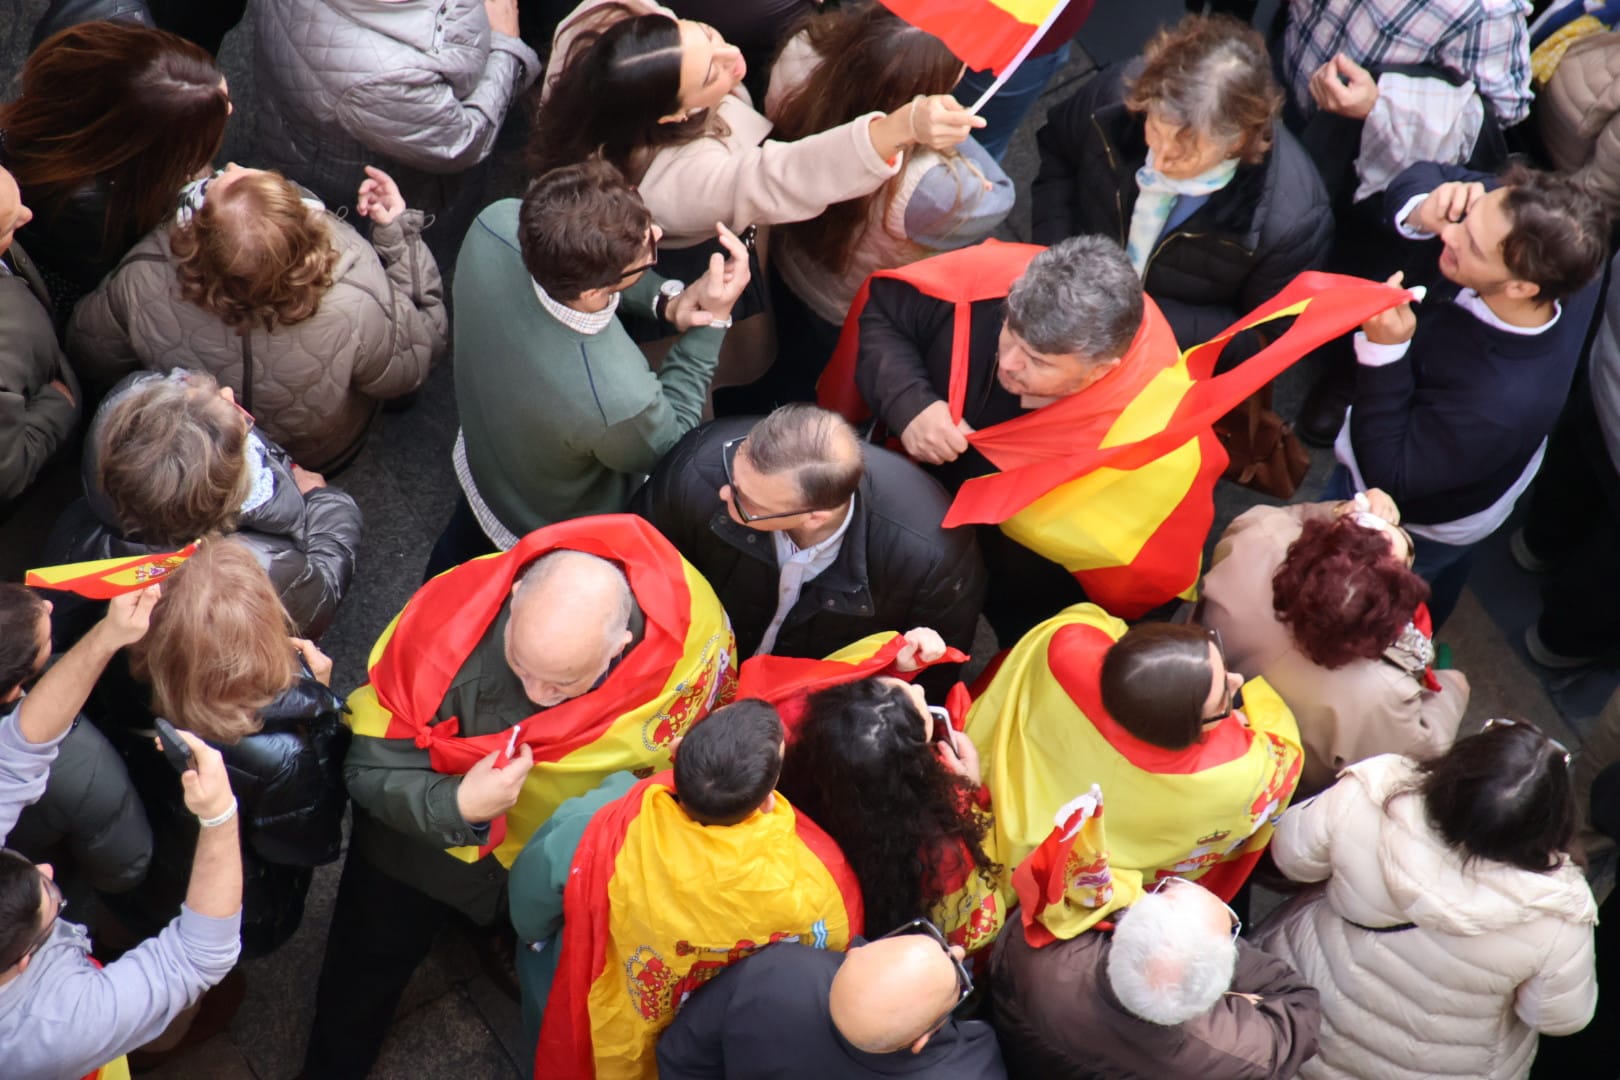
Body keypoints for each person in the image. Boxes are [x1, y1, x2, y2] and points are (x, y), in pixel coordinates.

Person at [303, 515, 735, 1078]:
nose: (538, 694)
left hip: (529, 862)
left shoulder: (685, 618)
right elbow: (363, 763)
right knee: (365, 974)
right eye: (521, 665)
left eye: (561, 684)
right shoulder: (442, 644)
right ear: (513, 597)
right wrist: (457, 806)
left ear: (621, 645)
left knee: (501, 918)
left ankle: (487, 934)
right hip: (415, 861)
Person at [839, 235, 1213, 633]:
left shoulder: (1153, 433)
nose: (1009, 362)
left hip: (1021, 582)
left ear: (1101, 370)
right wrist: (910, 404)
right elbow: (885, 315)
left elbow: (1146, 563)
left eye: (1038, 361)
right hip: (909, 525)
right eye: (1010, 332)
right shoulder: (989, 278)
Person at [508, 698, 863, 1078]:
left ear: (676, 749)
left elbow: (528, 907)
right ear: (767, 798)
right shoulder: (812, 873)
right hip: (695, 1039)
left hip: (597, 1006)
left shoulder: (600, 820)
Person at [434, 157, 750, 573]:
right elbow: (671, 444)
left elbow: (590, 280)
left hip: (483, 463)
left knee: (445, 575)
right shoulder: (617, 396)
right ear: (593, 291)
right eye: (647, 251)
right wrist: (714, 320)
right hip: (547, 532)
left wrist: (666, 303)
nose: (655, 232)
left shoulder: (496, 223)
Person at [1331, 162, 1609, 627]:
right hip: (1475, 477)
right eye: (1468, 213)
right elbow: (1430, 173)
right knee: (1448, 572)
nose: (1451, 234)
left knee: (1390, 599)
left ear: (1522, 286)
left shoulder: (1502, 402)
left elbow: (1391, 475)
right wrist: (1424, 207)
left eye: (1471, 245)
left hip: (1417, 516)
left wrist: (1385, 354)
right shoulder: (1531, 228)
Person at [1254, 722, 1598, 1078]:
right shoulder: (1558, 914)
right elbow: (1559, 1017)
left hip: (1296, 1009)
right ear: (1553, 818)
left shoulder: (1376, 789)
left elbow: (1291, 857)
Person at [0, 586, 244, 1080]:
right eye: (48, 906)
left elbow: (18, 752)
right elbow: (197, 956)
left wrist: (110, 634)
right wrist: (220, 816)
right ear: (22, 963)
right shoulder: (52, 1029)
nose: (47, 867)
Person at [67, 163, 446, 472]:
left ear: (197, 236)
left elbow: (89, 348)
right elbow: (412, 361)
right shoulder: (355, 291)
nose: (230, 163)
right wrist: (398, 239)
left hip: (205, 459)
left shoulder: (143, 274)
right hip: (314, 458)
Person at [531, 0, 984, 252]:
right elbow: (781, 175)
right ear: (671, 117)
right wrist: (903, 127)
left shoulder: (606, 24)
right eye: (711, 74)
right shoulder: (676, 181)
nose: (732, 56)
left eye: (703, 33)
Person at [89, 540, 348, 957]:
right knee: (195, 979)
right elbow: (310, 842)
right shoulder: (283, 753)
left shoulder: (118, 665)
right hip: (225, 907)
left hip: (126, 861)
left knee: (123, 929)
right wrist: (320, 711)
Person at [1032, 15, 1332, 352]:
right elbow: (1058, 153)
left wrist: (1142, 324)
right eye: (1156, 132)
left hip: (1160, 357)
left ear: (1237, 141)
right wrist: (1055, 260)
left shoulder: (1293, 220)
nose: (1159, 162)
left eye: (1186, 153)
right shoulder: (1115, 93)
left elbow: (1266, 333)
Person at [965, 610, 1303, 903]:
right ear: (1183, 729)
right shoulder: (1236, 771)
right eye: (1222, 704)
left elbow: (1101, 627)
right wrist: (1240, 724)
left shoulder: (1066, 645)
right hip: (1063, 876)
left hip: (1000, 817)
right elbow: (1283, 753)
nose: (1238, 680)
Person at [761, 2, 1013, 387]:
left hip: (776, 248)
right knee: (806, 373)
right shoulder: (938, 187)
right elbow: (1001, 194)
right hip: (835, 302)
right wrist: (955, 130)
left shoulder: (801, 51)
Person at [630, 404, 986, 671]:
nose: (724, 494)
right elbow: (635, 576)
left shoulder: (932, 557)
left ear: (816, 515)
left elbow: (933, 675)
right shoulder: (697, 470)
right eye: (733, 473)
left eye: (747, 502)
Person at [42, 370, 362, 641]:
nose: (227, 391)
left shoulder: (122, 438)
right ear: (225, 493)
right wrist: (326, 503)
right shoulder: (263, 570)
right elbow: (320, 593)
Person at [1201, 492, 1468, 795]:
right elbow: (1420, 752)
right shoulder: (1384, 695)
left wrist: (1340, 511)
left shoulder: (1258, 538)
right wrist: (1454, 689)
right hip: (1270, 786)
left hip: (1195, 701)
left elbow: (1289, 518)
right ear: (1388, 610)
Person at [247, 0, 541, 258]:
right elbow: (462, 140)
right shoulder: (379, 76)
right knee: (411, 254)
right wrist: (505, 47)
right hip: (376, 179)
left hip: (307, 127)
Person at [0, 21, 230, 325]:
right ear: (155, 146)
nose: (230, 111)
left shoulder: (61, 101)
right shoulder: (106, 210)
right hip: (66, 291)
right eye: (220, 108)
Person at [988, 877, 1321, 1079]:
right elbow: (1298, 1006)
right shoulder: (1241, 1052)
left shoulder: (1035, 956)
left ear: (1119, 936)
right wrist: (1221, 935)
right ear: (1221, 984)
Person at [776, 676, 1003, 950]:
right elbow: (976, 927)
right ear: (915, 767)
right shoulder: (942, 840)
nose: (920, 687)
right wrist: (970, 790)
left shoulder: (788, 763)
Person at [657, 923, 1007, 1078]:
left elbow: (680, 1055)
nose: (959, 950)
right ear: (921, 1041)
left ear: (856, 952)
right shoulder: (972, 1068)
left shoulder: (773, 972)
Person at [1, 584, 151, 903]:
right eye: (42, 641)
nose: (48, 606)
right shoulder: (83, 765)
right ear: (13, 689)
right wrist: (108, 635)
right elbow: (125, 865)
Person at [1512, 244, 1620, 667]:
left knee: (1574, 465)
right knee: (1610, 564)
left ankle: (1537, 543)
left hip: (1606, 373)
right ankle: (1558, 641)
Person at [1279, 0, 1534, 132]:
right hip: (1278, 74)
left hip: (1341, 149)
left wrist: (1383, 103)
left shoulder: (1485, 11)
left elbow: (1501, 113)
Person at [0, 163, 78, 506]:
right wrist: (58, 407)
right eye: (8, 223)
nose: (27, 216)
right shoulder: (9, 337)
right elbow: (7, 472)